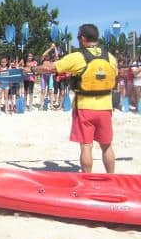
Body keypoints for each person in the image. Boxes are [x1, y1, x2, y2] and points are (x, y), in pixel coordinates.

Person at [26, 24, 117, 173]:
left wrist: (32, 69)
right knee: (106, 145)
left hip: (85, 108)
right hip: (106, 107)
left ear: (82, 38)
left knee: (86, 146)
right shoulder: (110, 57)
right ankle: (112, 178)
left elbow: (50, 68)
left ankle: (87, 179)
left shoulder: (78, 57)